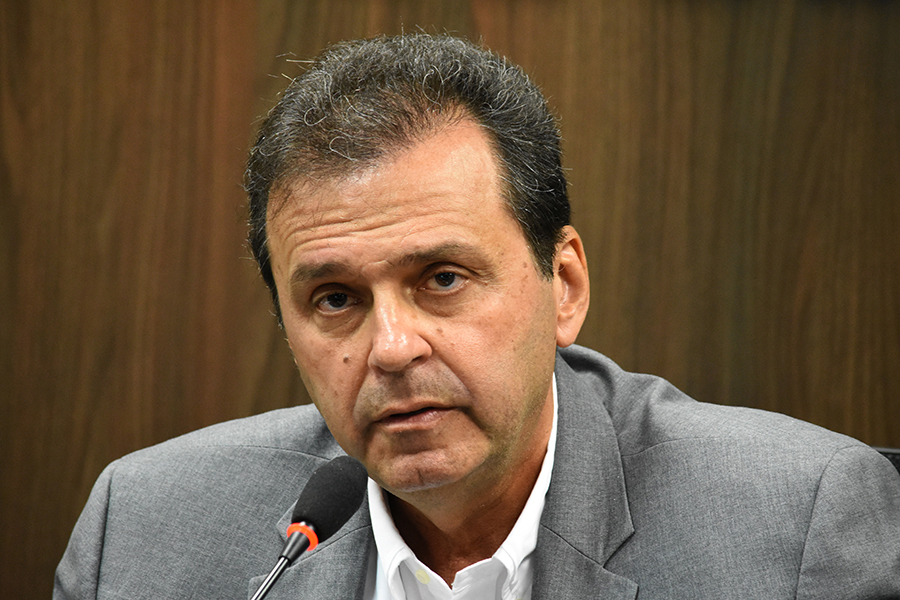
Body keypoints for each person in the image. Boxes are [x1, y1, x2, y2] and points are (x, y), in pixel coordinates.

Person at [55, 33, 900, 600]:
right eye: (335, 299)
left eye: (443, 278)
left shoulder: (796, 529)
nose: (392, 349)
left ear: (564, 286)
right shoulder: (143, 534)